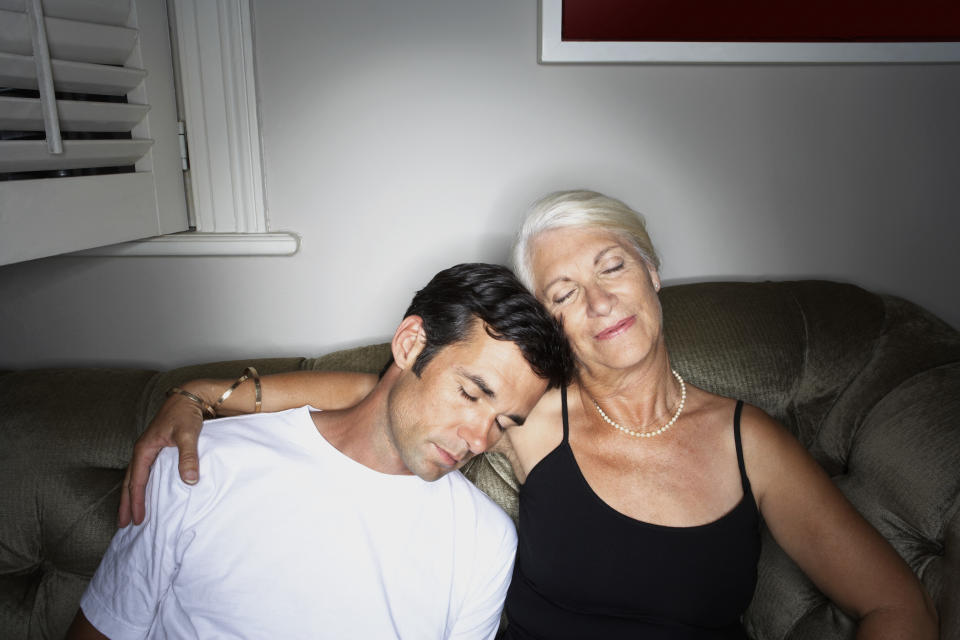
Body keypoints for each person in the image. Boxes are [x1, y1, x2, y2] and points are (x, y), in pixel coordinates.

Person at [122, 192, 938, 639]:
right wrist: (203, 396)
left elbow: (895, 606)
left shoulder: (749, 441)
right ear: (551, 324)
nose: (600, 300)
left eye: (612, 265)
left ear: (652, 272)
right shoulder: (528, 415)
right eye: (563, 292)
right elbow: (389, 394)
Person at [68, 263, 573, 640]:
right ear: (410, 344)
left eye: (505, 422)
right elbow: (107, 626)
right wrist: (194, 394)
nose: (480, 441)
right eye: (470, 393)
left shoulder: (484, 538)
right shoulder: (206, 461)